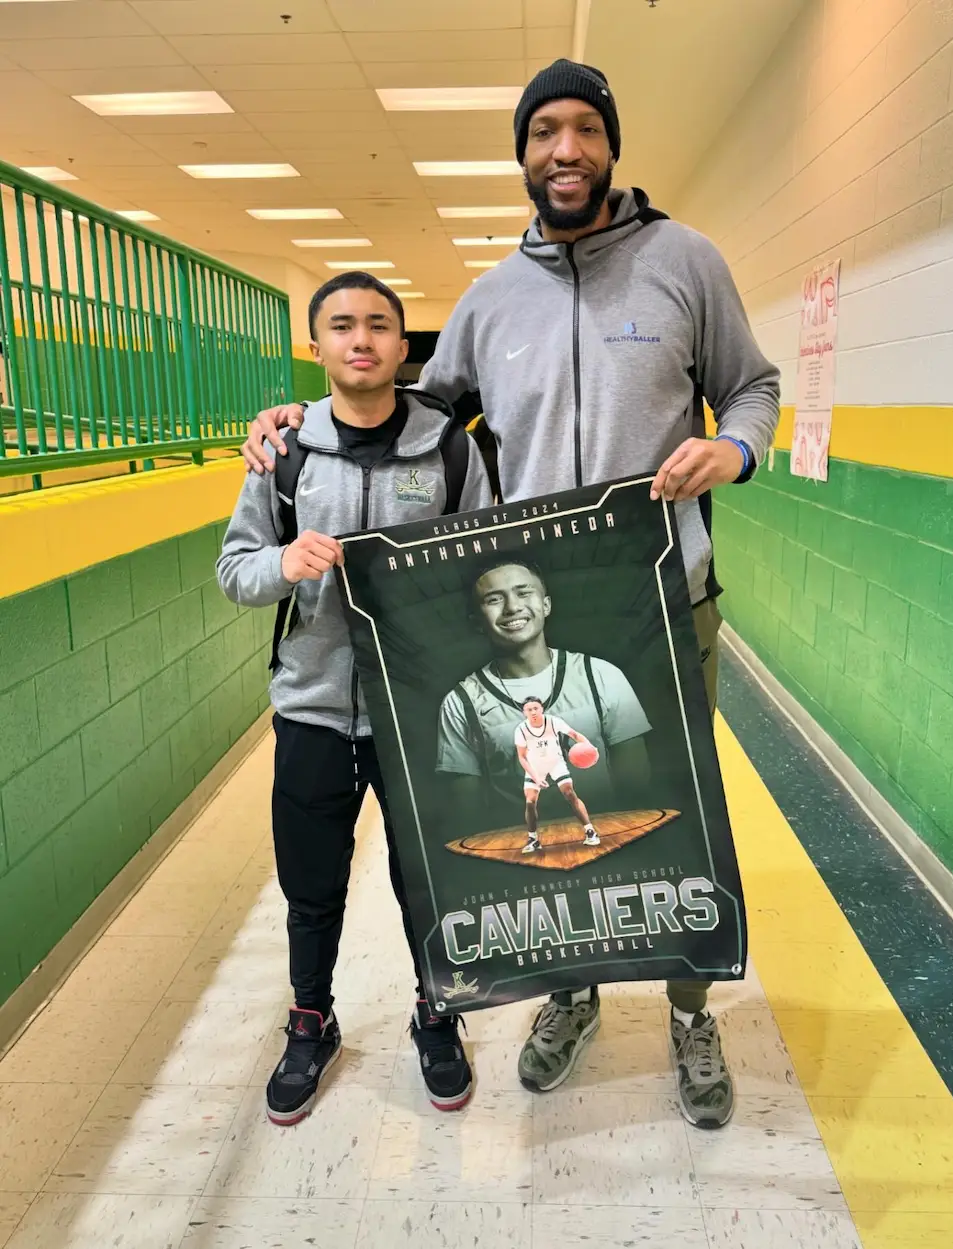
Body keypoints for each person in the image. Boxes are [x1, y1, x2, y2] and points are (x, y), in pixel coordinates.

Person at [240, 60, 781, 1128]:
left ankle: (688, 1014)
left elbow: (755, 383)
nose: (565, 150)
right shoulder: (491, 300)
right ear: (523, 154)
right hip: (538, 617)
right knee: (560, 836)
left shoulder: (686, 262)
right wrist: (289, 418)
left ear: (611, 145)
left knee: (678, 826)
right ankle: (569, 994)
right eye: (545, 132)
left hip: (665, 600)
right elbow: (401, 410)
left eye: (585, 129)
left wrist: (732, 448)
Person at [217, 271, 492, 1124]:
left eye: (379, 324)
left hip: (419, 713)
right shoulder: (285, 453)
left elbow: (488, 563)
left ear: (406, 348)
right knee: (311, 885)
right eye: (342, 325)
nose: (361, 338)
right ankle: (311, 1020)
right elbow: (236, 570)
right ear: (317, 346)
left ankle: (436, 1010)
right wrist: (284, 564)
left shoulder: (450, 451)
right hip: (313, 709)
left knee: (429, 876)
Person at [437, 557, 653, 838]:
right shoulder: (460, 703)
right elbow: (468, 816)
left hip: (609, 843)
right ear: (476, 621)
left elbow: (637, 788)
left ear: (546, 605)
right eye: (493, 599)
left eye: (523, 592)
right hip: (521, 861)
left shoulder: (600, 674)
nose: (513, 607)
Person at [514, 696, 599, 853]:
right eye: (529, 709)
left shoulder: (553, 721)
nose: (533, 711)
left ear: (542, 709)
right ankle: (533, 839)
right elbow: (522, 756)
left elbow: (574, 734)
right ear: (524, 712)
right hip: (534, 766)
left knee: (569, 793)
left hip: (555, 762)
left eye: (536, 708)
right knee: (530, 802)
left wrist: (590, 747)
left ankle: (590, 831)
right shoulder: (521, 729)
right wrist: (536, 777)